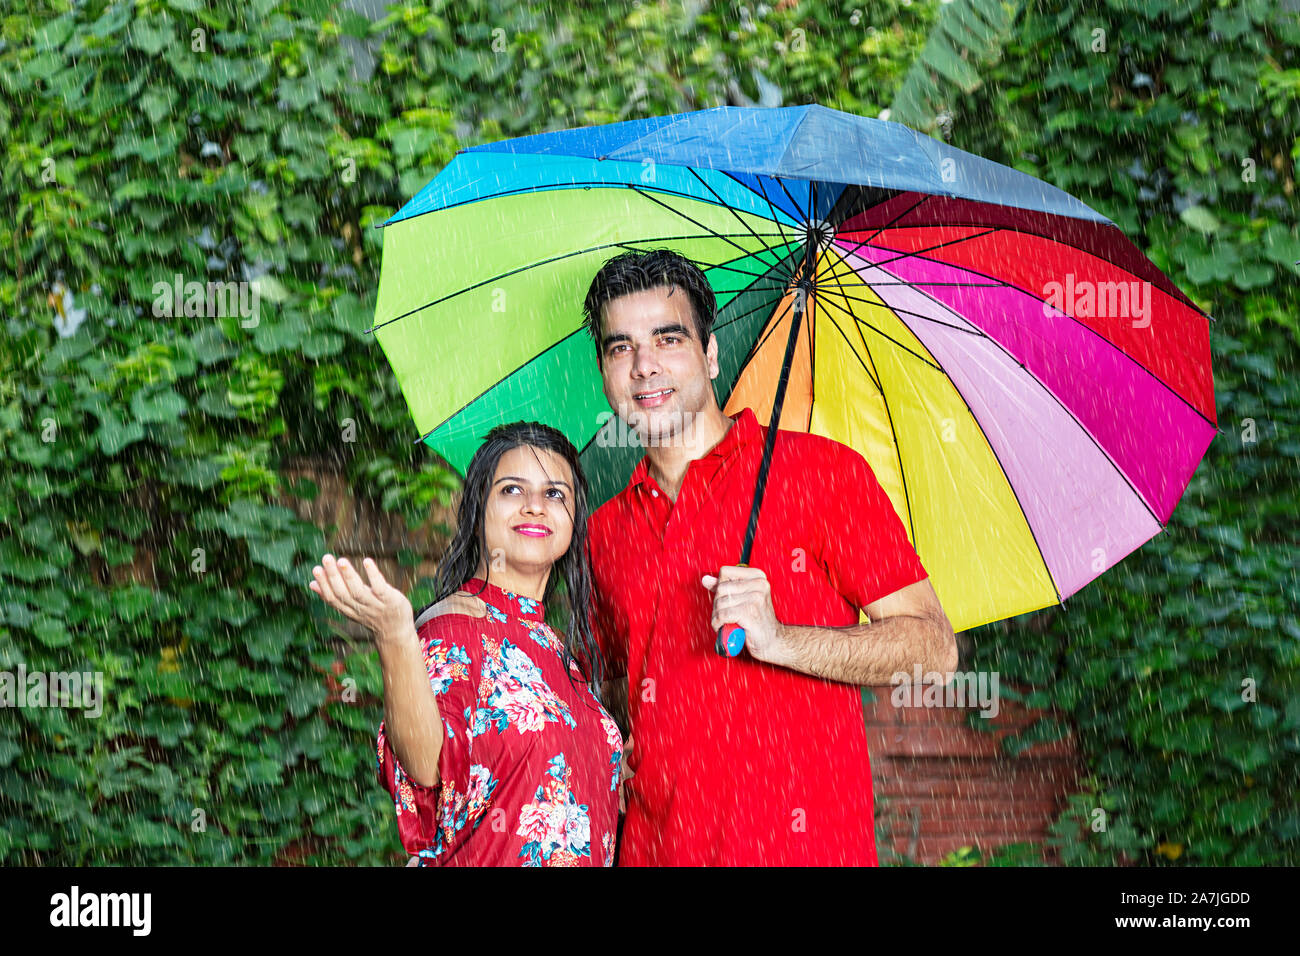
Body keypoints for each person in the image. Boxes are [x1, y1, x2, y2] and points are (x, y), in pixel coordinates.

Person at [430, 249, 958, 866]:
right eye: (620, 347)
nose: (644, 367)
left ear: (710, 355)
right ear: (604, 372)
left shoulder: (822, 474)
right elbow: (606, 695)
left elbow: (934, 649)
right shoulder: (600, 530)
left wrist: (781, 639)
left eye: (668, 338)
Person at [309, 422, 623, 866]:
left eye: (555, 494)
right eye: (512, 490)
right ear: (478, 508)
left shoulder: (556, 647)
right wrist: (396, 637)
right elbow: (425, 766)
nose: (535, 507)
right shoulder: (456, 626)